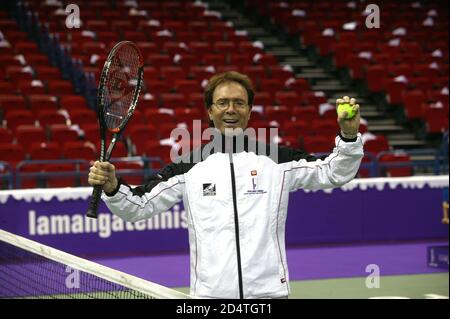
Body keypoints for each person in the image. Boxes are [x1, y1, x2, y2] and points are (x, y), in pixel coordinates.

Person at [88, 71, 364, 299]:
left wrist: (349, 137)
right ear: (210, 111)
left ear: (249, 111)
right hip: (210, 296)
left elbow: (332, 173)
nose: (231, 109)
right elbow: (138, 207)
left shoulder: (278, 160)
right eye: (222, 103)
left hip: (269, 293)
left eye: (239, 102)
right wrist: (113, 186)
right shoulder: (187, 167)